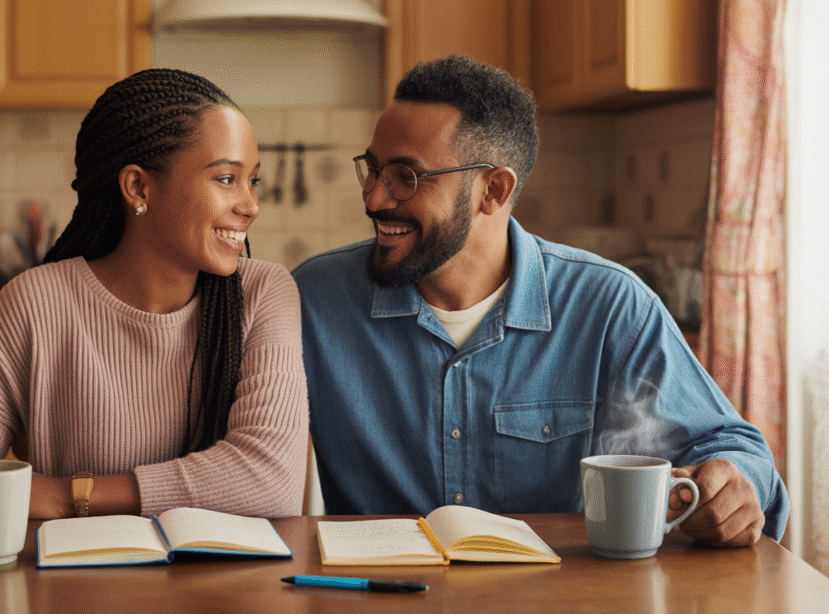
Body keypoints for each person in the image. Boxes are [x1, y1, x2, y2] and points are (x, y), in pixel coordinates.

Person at [292, 55, 788, 547]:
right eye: (373, 169)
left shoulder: (610, 306)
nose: (374, 198)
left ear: (494, 189)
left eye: (406, 176)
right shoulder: (312, 302)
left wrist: (736, 485)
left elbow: (735, 447)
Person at [0, 68, 309, 545]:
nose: (251, 205)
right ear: (138, 187)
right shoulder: (35, 304)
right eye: (226, 178)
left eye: (251, 181)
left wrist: (66, 495)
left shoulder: (263, 292)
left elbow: (271, 477)